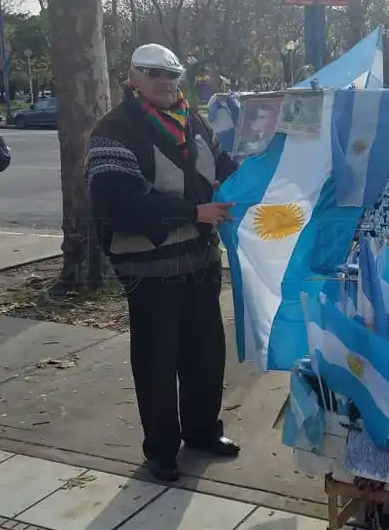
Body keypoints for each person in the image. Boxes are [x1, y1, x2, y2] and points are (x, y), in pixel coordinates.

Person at [85, 43, 240, 483]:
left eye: (172, 74)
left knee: (205, 353)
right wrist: (193, 212)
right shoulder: (112, 130)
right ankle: (161, 451)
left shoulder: (193, 121)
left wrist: (267, 167)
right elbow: (117, 202)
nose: (166, 82)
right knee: (157, 362)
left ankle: (202, 432)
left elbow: (224, 169)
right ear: (132, 77)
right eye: (153, 74)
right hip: (148, 269)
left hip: (199, 261)